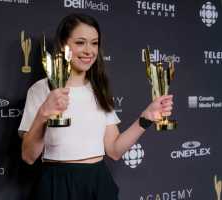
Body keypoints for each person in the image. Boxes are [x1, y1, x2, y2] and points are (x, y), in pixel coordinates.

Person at [18, 13, 173, 200]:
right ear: (64, 45)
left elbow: (114, 150)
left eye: (94, 43)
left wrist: (146, 117)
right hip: (57, 184)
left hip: (98, 183)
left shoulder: (99, 90)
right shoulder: (41, 89)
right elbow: (28, 156)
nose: (88, 51)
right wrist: (44, 113)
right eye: (80, 42)